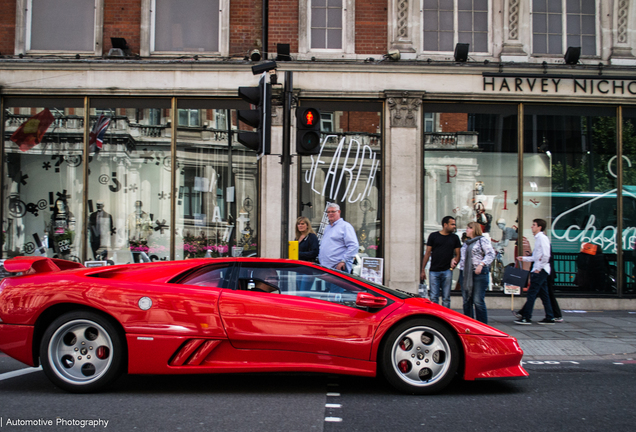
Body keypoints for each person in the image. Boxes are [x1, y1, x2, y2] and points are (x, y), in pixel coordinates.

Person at [514, 218, 555, 325]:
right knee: (544, 294)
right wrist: (524, 258)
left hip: (540, 270)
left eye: (534, 225)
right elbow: (536, 257)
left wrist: (538, 268)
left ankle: (527, 317)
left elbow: (546, 255)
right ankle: (550, 316)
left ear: (539, 227)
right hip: (541, 269)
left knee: (532, 293)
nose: (532, 226)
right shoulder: (539, 239)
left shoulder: (542, 238)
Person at [457, 222, 495, 324]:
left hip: (479, 273)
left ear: (474, 229)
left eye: (468, 228)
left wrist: (481, 264)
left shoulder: (482, 240)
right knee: (466, 300)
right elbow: (464, 258)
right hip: (465, 273)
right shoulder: (466, 243)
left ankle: (482, 325)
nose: (466, 230)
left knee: (478, 300)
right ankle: (469, 324)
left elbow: (491, 254)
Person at [420, 216, 461, 308]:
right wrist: (422, 270)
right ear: (445, 224)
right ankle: (435, 318)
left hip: (447, 271)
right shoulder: (434, 236)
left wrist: (452, 266)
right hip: (434, 271)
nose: (454, 226)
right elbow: (427, 253)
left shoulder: (455, 238)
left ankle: (445, 319)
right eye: (452, 224)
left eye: (454, 224)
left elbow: (458, 254)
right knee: (434, 297)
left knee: (446, 298)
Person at [318, 203, 359, 272]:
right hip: (326, 268)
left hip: (338, 269)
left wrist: (343, 261)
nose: (330, 213)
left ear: (339, 212)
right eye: (328, 212)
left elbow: (354, 246)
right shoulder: (328, 228)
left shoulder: (345, 226)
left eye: (333, 211)